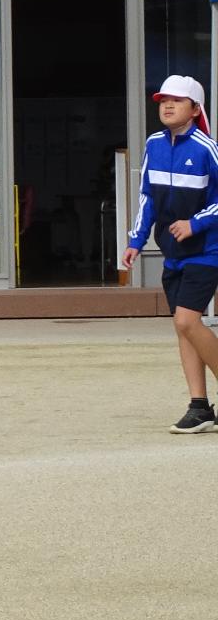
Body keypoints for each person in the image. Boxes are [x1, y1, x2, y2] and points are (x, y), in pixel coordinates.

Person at [118, 75, 218, 433]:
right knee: (184, 330)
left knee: (186, 321)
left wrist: (195, 223)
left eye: (176, 100)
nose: (167, 105)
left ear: (194, 109)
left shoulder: (207, 149)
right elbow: (147, 197)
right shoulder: (153, 144)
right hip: (171, 253)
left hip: (207, 251)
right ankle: (199, 407)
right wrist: (135, 241)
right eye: (162, 100)